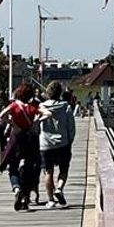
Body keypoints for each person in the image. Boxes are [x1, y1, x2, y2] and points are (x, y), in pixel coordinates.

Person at [0, 83, 41, 211]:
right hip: (29, 140)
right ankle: (25, 197)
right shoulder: (32, 107)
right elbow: (47, 113)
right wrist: (36, 121)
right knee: (29, 168)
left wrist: (12, 123)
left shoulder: (14, 105)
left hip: (16, 139)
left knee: (13, 167)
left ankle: (17, 188)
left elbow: (1, 115)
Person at [38, 81, 76, 209]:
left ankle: (50, 200)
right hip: (62, 142)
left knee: (48, 172)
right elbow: (71, 127)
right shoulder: (66, 107)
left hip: (46, 143)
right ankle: (59, 188)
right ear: (60, 93)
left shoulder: (41, 107)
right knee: (63, 169)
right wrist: (70, 140)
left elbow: (37, 124)